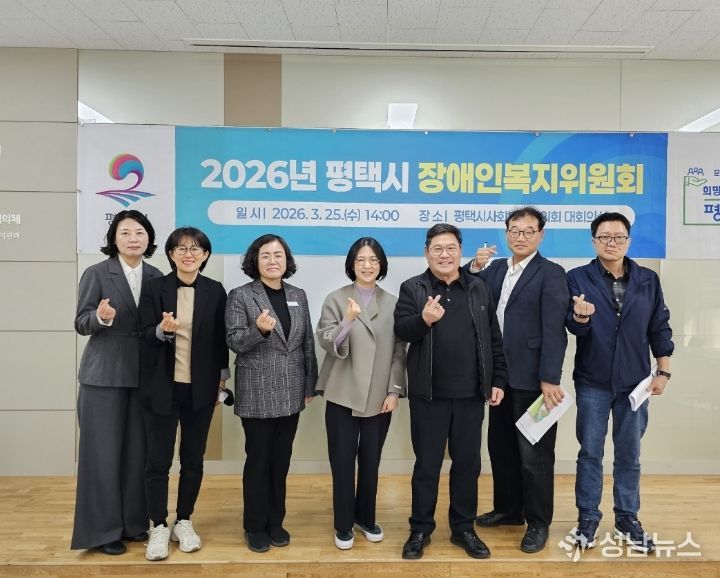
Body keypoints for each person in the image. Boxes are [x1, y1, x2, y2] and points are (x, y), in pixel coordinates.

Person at [394, 223, 507, 560]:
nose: (444, 255)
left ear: (460, 252)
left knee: (468, 466)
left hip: (471, 395)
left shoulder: (478, 287)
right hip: (428, 395)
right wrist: (424, 320)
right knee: (427, 466)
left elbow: (493, 338)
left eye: (451, 248)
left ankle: (463, 528)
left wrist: (497, 380)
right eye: (437, 249)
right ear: (426, 253)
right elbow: (401, 330)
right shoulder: (413, 288)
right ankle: (420, 529)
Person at [567, 212, 673, 554]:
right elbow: (573, 327)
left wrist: (663, 371)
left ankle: (627, 518)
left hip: (635, 382)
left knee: (630, 454)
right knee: (590, 453)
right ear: (593, 241)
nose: (611, 243)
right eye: (604, 237)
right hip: (592, 381)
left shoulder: (647, 280)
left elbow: (659, 326)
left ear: (628, 241)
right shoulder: (577, 278)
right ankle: (587, 518)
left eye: (618, 237)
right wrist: (581, 316)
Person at [468, 207, 569, 553]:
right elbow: (468, 288)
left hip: (535, 379)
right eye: (514, 230)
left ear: (541, 235)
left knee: (534, 455)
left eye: (528, 231)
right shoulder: (496, 269)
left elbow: (555, 330)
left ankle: (538, 522)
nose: (520, 237)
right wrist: (474, 266)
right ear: (506, 233)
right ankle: (509, 510)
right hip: (499, 377)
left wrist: (549, 378)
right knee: (501, 448)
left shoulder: (552, 273)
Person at [71, 210, 162, 555]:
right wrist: (100, 317)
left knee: (138, 454)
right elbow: (81, 322)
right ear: (114, 238)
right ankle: (103, 531)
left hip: (144, 377)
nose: (133, 238)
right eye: (125, 232)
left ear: (149, 238)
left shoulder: (156, 276)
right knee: (103, 455)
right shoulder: (96, 273)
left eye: (140, 232)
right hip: (104, 377)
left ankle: (133, 523)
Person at [138, 227, 229, 561]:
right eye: (181, 248)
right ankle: (159, 525)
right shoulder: (154, 288)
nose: (188, 254)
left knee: (193, 459)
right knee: (158, 461)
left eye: (195, 249)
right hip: (161, 387)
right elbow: (142, 333)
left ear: (205, 255)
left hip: (200, 388)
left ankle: (184, 520)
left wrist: (222, 379)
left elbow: (220, 340)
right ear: (171, 254)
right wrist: (161, 331)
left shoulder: (215, 291)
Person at [225, 234, 318, 553]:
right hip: (258, 391)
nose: (272, 260)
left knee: (281, 462)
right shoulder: (241, 295)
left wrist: (309, 383)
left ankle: (275, 522)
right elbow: (234, 341)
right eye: (265, 255)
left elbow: (307, 343)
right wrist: (259, 330)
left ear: (286, 260)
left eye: (278, 255)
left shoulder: (298, 294)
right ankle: (254, 525)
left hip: (292, 389)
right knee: (258, 461)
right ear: (255, 260)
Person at [316, 237, 407, 550]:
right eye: (361, 260)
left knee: (371, 461)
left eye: (373, 260)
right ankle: (343, 524)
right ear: (351, 265)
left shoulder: (393, 303)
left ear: (381, 265)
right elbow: (326, 340)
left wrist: (394, 390)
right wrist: (347, 320)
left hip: (379, 395)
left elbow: (399, 351)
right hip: (342, 392)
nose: (367, 266)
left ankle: (365, 518)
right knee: (342, 462)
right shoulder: (336, 298)